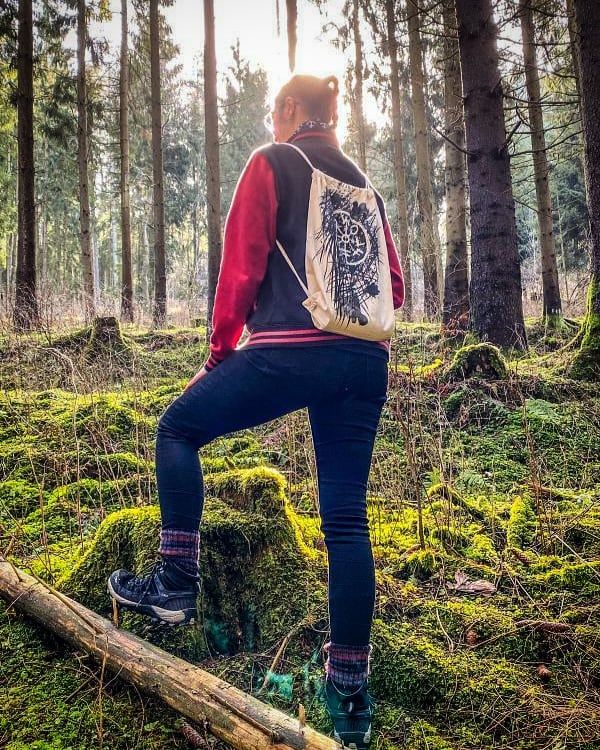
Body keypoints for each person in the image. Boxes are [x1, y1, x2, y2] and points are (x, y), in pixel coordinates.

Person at [108, 73, 404, 748]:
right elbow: (395, 286)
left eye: (275, 111)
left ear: (293, 111)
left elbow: (240, 267)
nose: (271, 123)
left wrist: (219, 354)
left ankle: (176, 584)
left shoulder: (272, 163)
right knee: (347, 524)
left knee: (177, 428)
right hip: (365, 362)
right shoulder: (364, 185)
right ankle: (350, 696)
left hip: (288, 353)